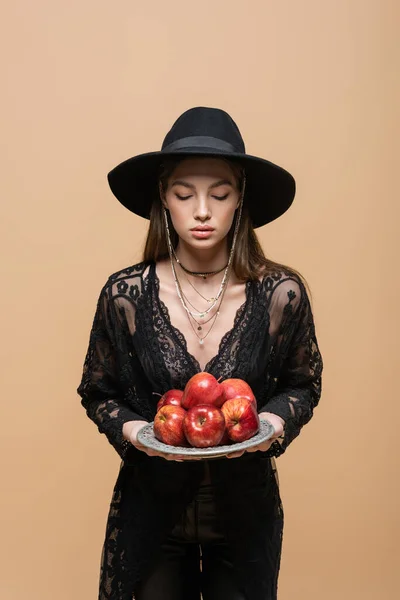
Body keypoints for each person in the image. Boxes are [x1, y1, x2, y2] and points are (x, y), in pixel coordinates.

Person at [77, 106, 323, 600]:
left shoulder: (281, 294)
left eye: (221, 194)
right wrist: (137, 432)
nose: (203, 211)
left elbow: (303, 384)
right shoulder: (126, 295)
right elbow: (97, 391)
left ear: (241, 200)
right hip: (151, 516)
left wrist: (271, 423)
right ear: (164, 199)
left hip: (244, 518)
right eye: (185, 194)